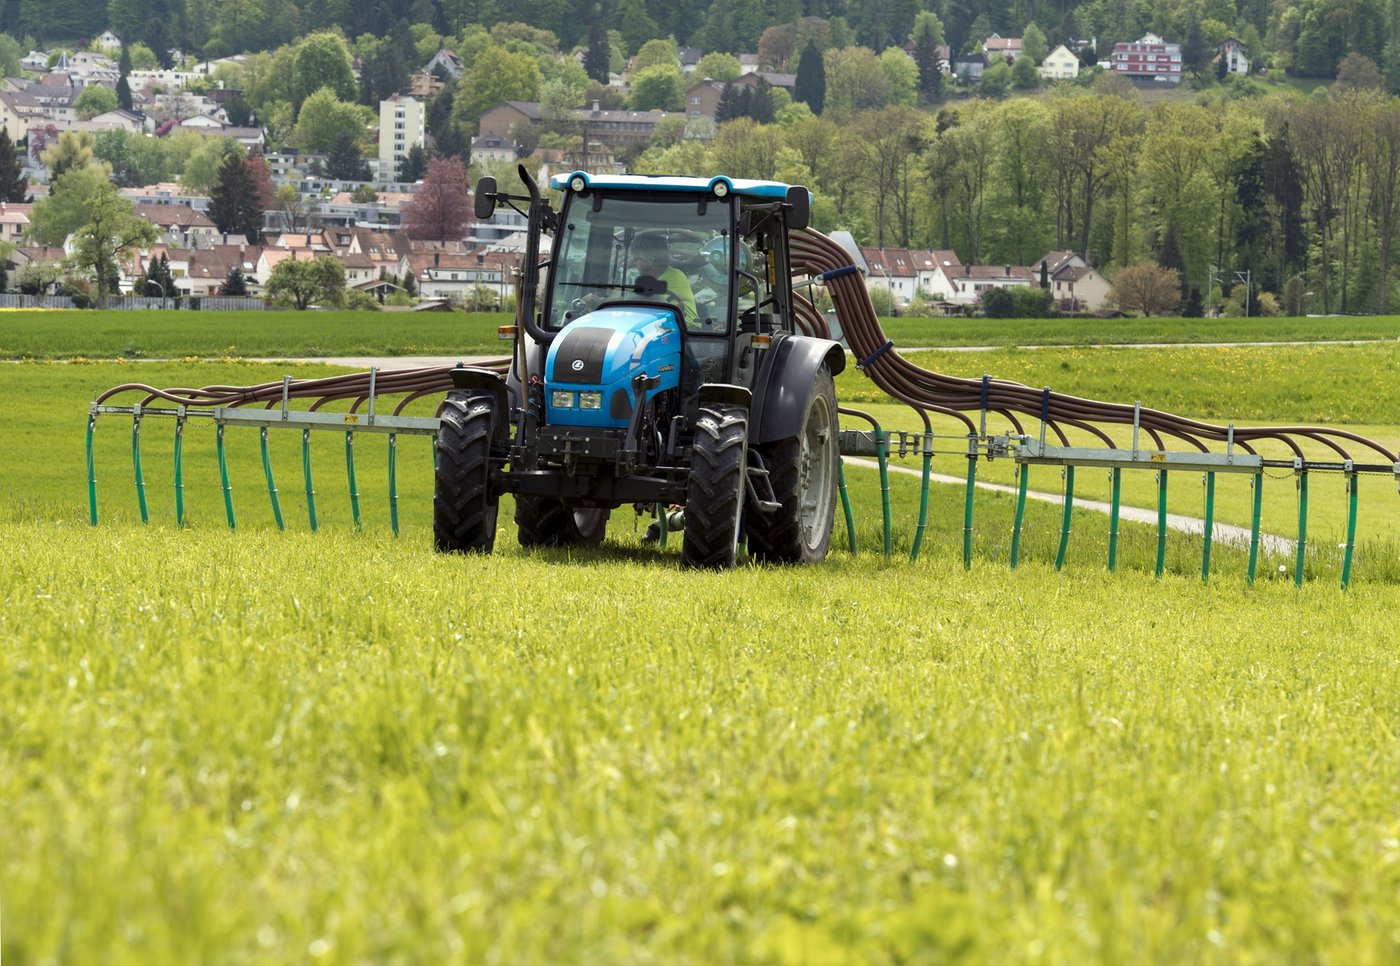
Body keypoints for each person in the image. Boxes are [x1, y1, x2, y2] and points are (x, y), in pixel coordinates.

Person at [631, 233, 697, 326]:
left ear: (650, 259)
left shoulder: (673, 277)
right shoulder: (655, 279)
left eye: (636, 258)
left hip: (687, 330)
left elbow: (640, 308)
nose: (633, 261)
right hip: (666, 328)